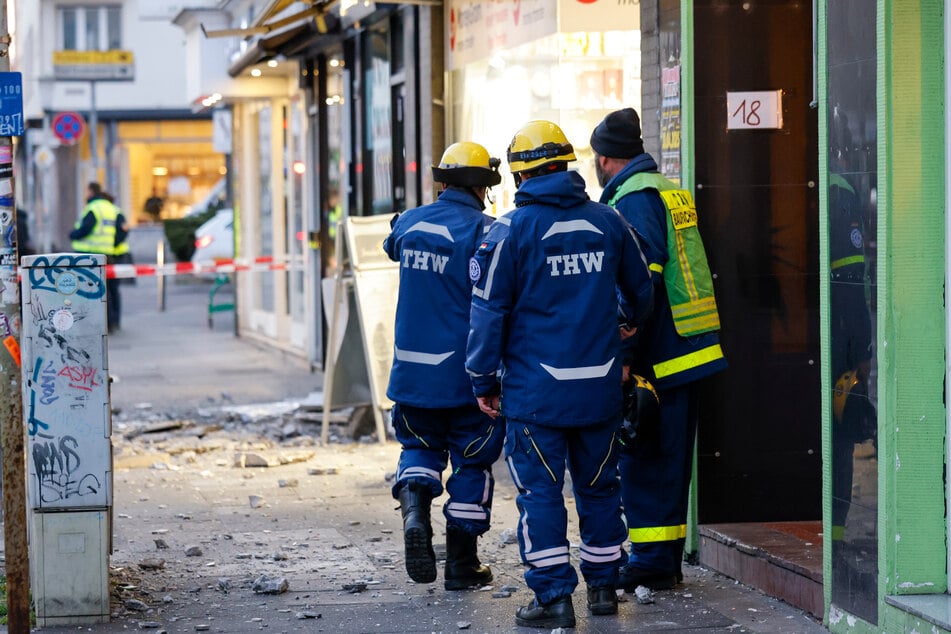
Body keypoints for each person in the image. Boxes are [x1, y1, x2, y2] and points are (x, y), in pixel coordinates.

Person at [466, 120, 654, 628]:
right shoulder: (609, 222)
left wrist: (482, 381)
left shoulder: (509, 231)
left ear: (521, 177)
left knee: (541, 494)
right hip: (598, 392)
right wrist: (624, 337)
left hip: (535, 397)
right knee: (599, 488)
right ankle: (603, 591)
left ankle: (552, 599)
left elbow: (488, 314)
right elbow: (641, 294)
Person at [589, 107, 727, 592]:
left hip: (661, 353)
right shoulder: (666, 189)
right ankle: (662, 561)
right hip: (687, 347)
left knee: (645, 457)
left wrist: (624, 358)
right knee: (665, 459)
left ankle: (650, 562)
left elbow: (639, 283)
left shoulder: (634, 197)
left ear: (603, 159)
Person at [384, 141, 505, 590]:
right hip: (465, 377)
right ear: (484, 187)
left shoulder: (412, 222)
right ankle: (461, 564)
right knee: (472, 463)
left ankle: (415, 511)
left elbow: (391, 243)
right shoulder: (486, 232)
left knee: (418, 447)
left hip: (411, 374)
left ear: (442, 181)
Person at [71, 182, 128, 333]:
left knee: (94, 291)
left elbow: (85, 229)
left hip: (90, 254)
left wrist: (73, 235)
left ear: (91, 192)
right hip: (108, 254)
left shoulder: (93, 209)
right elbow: (122, 231)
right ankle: (112, 321)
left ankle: (102, 323)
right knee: (110, 290)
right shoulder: (112, 209)